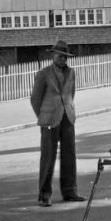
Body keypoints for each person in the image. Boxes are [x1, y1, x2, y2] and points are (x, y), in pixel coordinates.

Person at [30, 40, 84, 206]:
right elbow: (35, 99)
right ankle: (44, 195)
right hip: (49, 120)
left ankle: (70, 192)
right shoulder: (43, 74)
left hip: (67, 117)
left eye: (65, 57)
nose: (63, 59)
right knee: (48, 157)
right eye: (60, 56)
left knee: (69, 155)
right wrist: (44, 115)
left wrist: (68, 109)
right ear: (53, 56)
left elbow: (71, 94)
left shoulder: (71, 73)